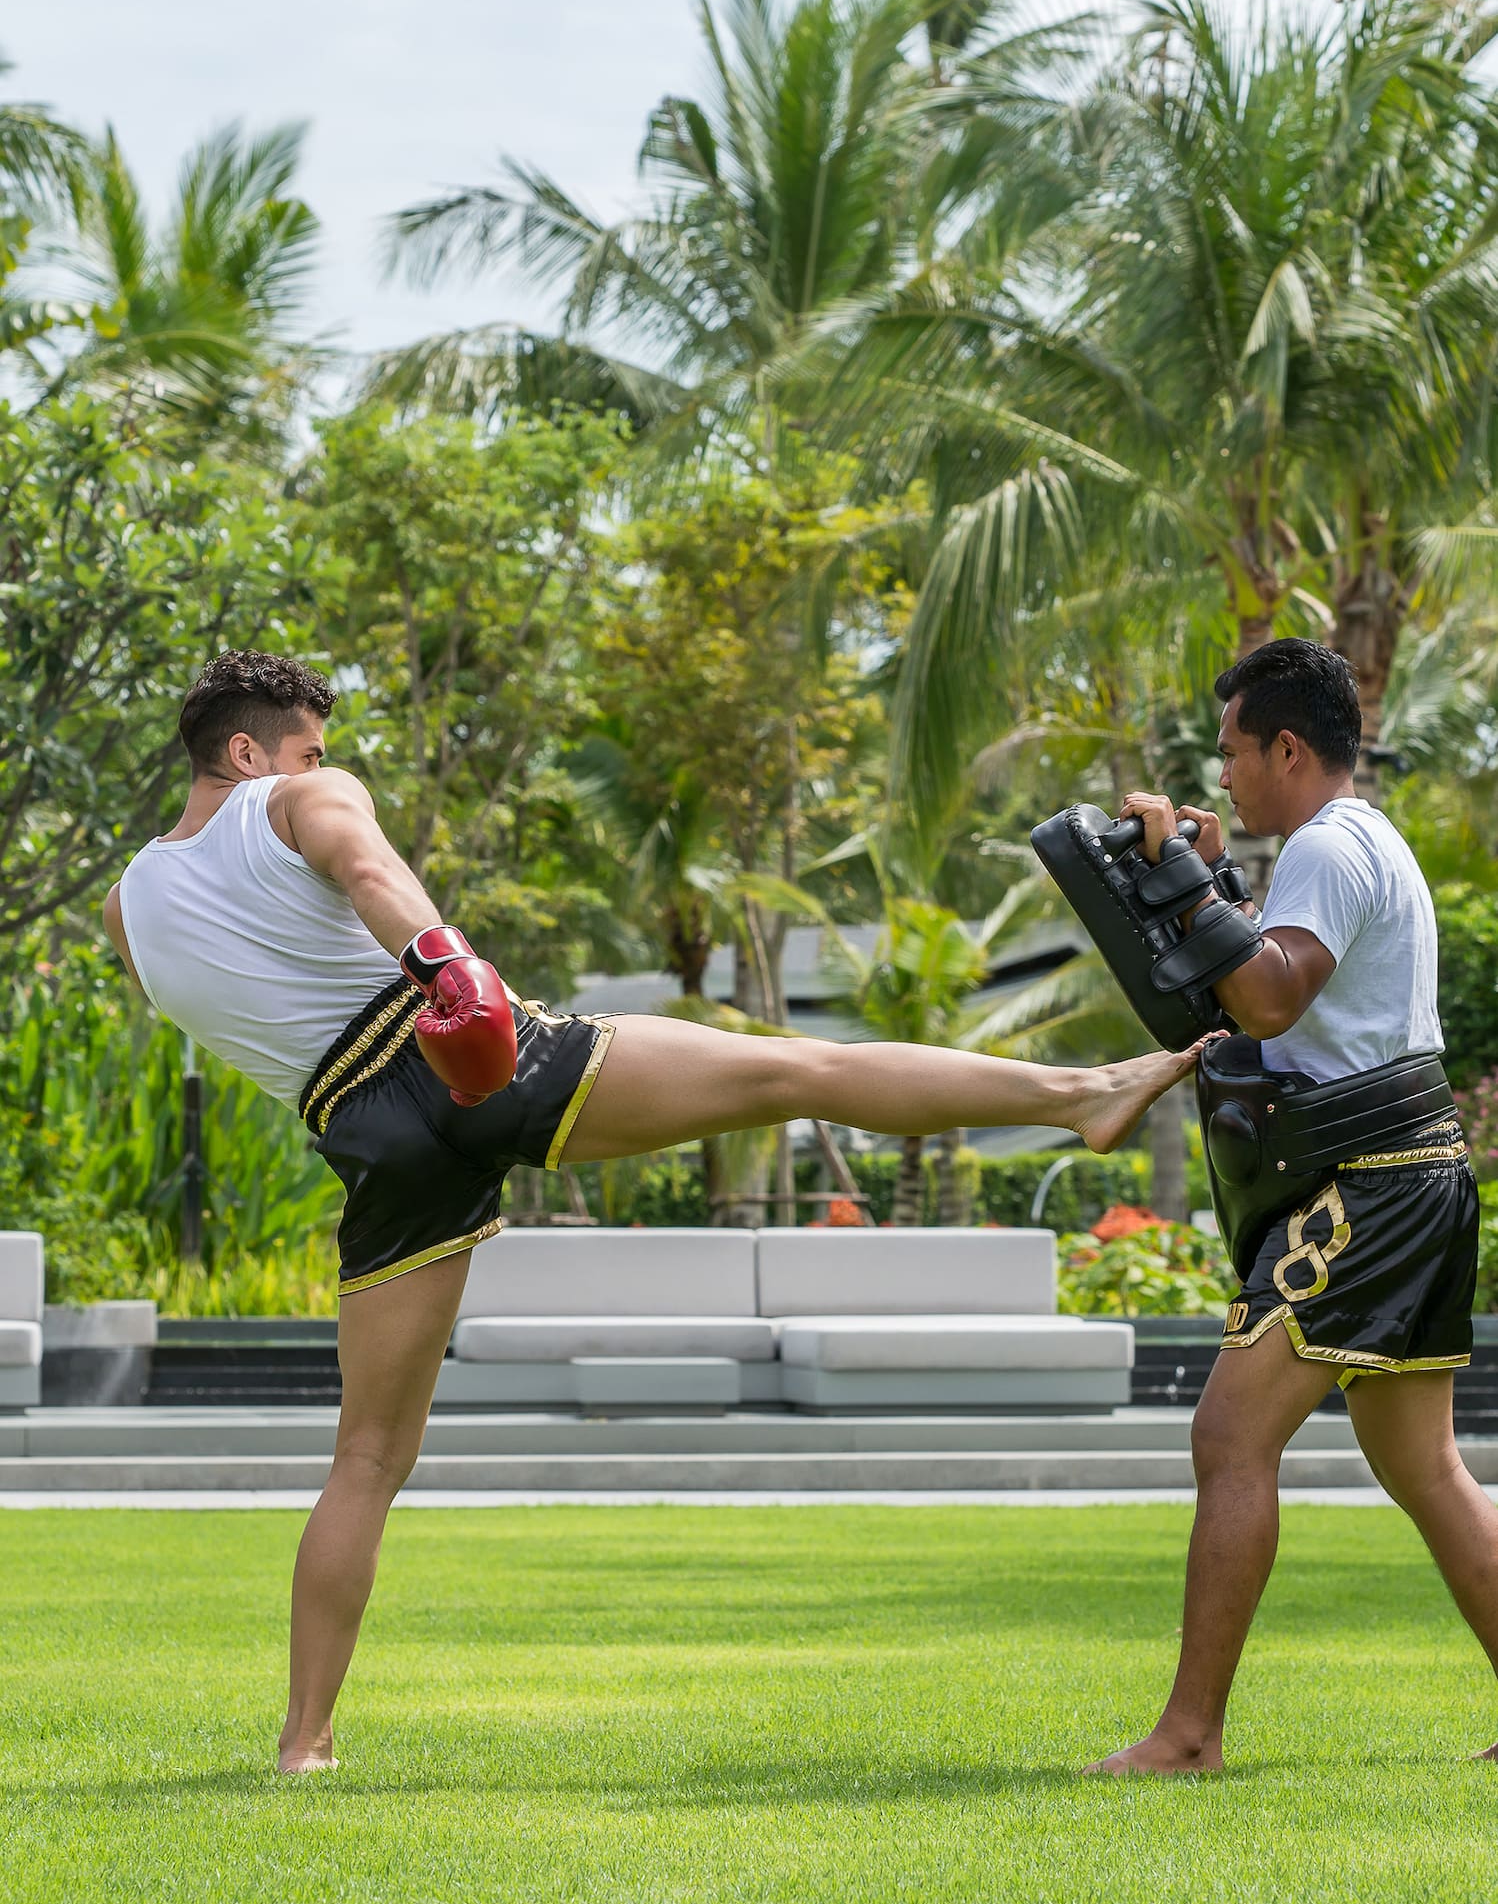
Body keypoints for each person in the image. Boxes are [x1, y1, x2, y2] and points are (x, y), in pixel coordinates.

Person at [99, 651, 1206, 1775]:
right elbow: (370, 867)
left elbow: (235, 995)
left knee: (368, 1456)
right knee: (795, 1071)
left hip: (364, 1134)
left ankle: (304, 1744)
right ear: (248, 752)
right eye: (308, 745)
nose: (321, 765)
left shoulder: (126, 908)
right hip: (459, 1048)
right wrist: (453, 976)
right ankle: (1081, 1095)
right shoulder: (293, 798)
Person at [1087, 636, 1486, 1777]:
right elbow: (1279, 977)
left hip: (1368, 1181)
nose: (1222, 777)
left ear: (1288, 747)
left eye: (1231, 753)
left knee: (1228, 1434)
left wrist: (1180, 881)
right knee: (1425, 1471)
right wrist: (1209, 886)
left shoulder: (1325, 844)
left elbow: (1263, 998)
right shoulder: (1360, 843)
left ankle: (1189, 1734)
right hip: (1415, 1167)